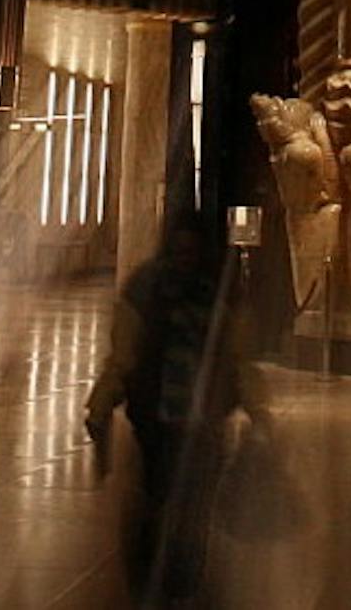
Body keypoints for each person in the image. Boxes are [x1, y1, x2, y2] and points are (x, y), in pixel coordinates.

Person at [85, 216, 268, 606]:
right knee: (159, 495)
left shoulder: (217, 294)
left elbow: (239, 359)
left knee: (194, 502)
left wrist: (258, 408)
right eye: (180, 250)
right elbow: (123, 357)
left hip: (202, 420)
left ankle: (182, 578)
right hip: (159, 419)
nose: (185, 258)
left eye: (192, 251)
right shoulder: (148, 291)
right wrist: (102, 405)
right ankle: (156, 572)